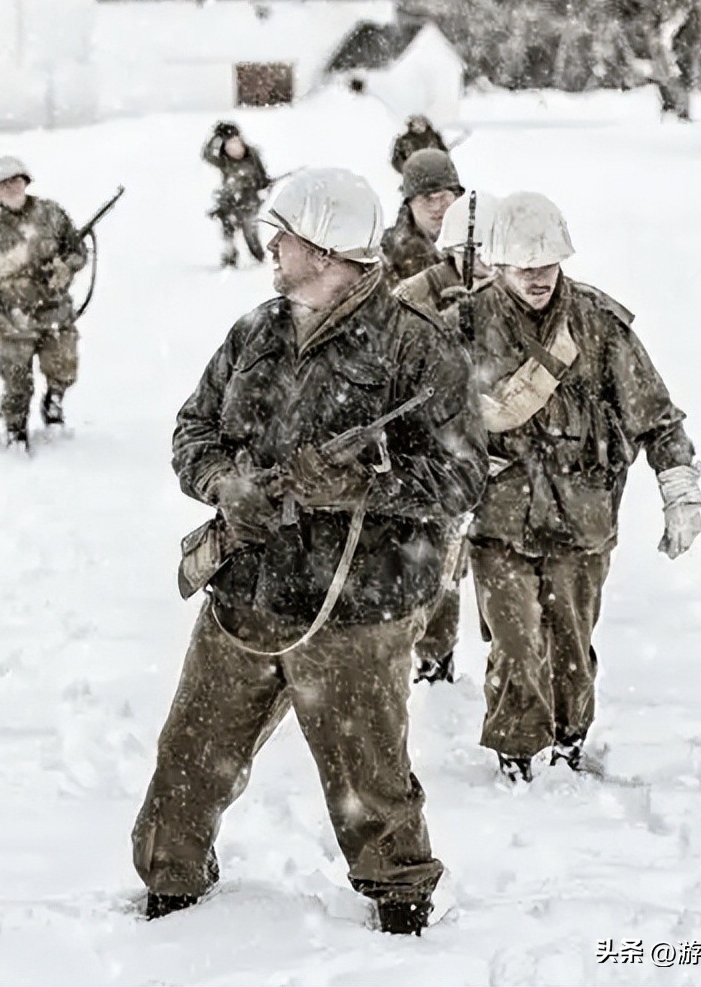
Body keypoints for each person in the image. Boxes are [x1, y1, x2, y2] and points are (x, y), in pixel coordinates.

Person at [131, 168, 488, 935]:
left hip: (360, 608)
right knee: (189, 757)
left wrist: (368, 479)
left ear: (323, 250)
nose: (272, 248)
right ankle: (172, 886)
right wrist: (226, 483)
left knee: (372, 782)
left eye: (283, 237)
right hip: (247, 591)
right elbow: (193, 430)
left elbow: (462, 476)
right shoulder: (255, 331)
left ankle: (401, 903)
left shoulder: (417, 351)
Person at [454, 191, 701, 783]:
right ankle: (515, 750)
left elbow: (656, 415)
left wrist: (680, 488)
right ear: (497, 264)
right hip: (499, 520)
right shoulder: (462, 324)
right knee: (514, 645)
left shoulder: (597, 322)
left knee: (571, 641)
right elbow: (420, 417)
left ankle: (569, 742)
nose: (538, 278)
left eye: (547, 264)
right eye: (524, 266)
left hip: (582, 515)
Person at [394, 191, 498, 685]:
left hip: (508, 453)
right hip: (446, 444)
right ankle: (435, 655)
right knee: (442, 562)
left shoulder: (519, 290)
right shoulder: (417, 292)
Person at [0, 156, 88, 449]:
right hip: (12, 318)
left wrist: (65, 266)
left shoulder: (51, 214)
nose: (12, 188)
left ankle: (54, 403)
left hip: (55, 312)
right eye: (3, 185)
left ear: (26, 182)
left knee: (63, 367)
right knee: (16, 383)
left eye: (16, 181)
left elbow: (77, 250)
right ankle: (16, 430)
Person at [381, 148, 463, 288]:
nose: (437, 207)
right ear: (409, 203)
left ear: (456, 197)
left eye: (444, 197)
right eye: (427, 199)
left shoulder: (478, 245)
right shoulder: (387, 251)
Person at [202, 120, 271, 268]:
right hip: (230, 201)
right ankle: (230, 257)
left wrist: (264, 186)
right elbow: (207, 155)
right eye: (229, 144)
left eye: (236, 142)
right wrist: (216, 138)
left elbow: (262, 177)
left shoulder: (252, 155)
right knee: (228, 228)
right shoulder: (224, 161)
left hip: (249, 201)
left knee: (250, 232)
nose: (234, 148)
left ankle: (260, 259)